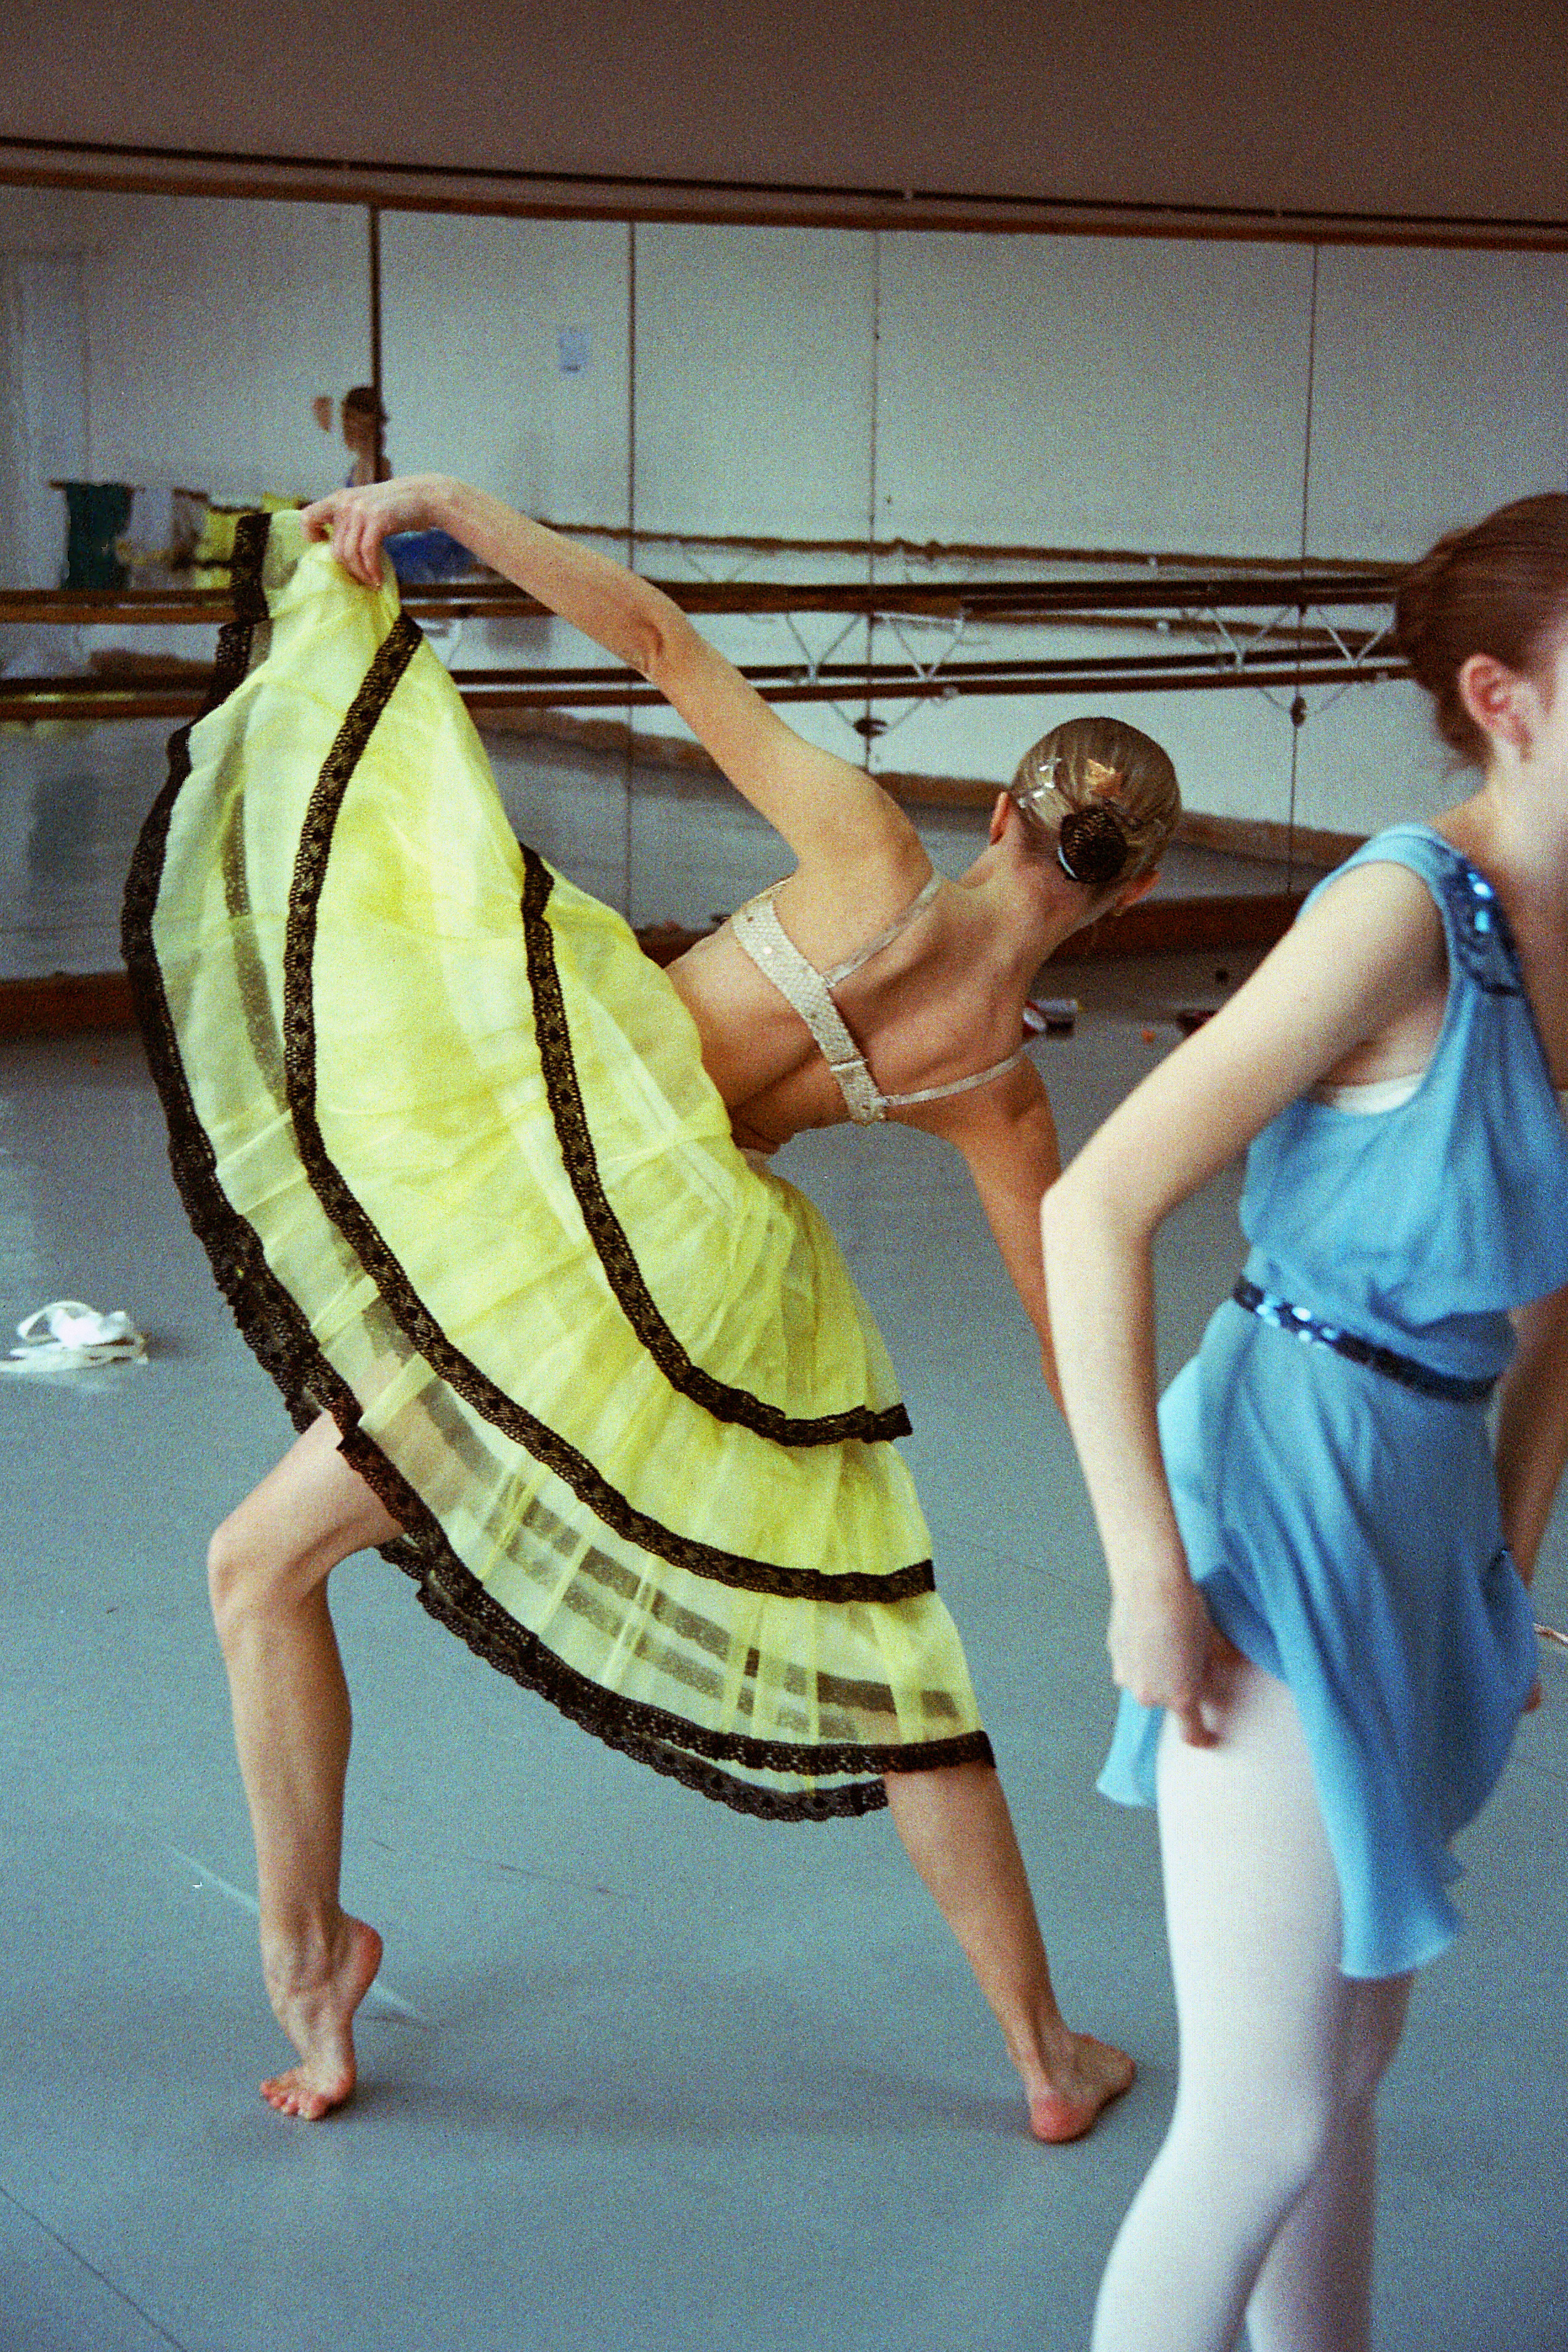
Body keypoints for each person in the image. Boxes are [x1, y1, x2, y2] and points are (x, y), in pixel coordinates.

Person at [123, 472, 1178, 2130]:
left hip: (562, 1205)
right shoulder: (997, 1085)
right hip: (674, 1285)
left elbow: (658, 639)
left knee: (257, 1565)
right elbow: (1066, 1321)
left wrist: (448, 507)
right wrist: (1155, 1530)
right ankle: (1045, 2055)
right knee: (882, 1660)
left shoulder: (869, 844)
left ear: (1003, 818)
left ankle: (309, 1963)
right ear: (1122, 900)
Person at [1040, 490, 1568, 2351]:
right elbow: (1089, 1207)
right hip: (1280, 1500)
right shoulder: (1395, 917)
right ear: (1503, 701)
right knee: (1259, 2110)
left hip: (1420, 1515)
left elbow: (1554, 1300)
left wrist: (1503, 1573)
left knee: (1348, 2056)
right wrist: (1141, 1571)